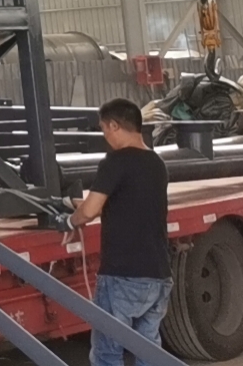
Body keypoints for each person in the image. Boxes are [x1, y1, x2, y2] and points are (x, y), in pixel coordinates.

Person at [65, 98, 172, 366]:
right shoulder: (156, 163)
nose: (105, 136)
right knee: (149, 351)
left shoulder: (115, 161)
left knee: (108, 351)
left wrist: (69, 220)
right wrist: (83, 205)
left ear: (114, 125)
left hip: (122, 275)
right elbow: (127, 201)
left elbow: (89, 212)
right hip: (158, 275)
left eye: (104, 129)